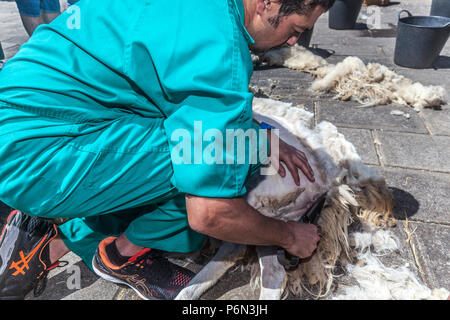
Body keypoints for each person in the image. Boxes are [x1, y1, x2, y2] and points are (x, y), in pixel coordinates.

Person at [0, 0, 335, 300]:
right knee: (229, 161)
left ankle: (57, 230)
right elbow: (210, 212)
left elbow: (177, 84)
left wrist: (261, 137)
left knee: (222, 142)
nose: (293, 42)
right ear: (267, 4)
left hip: (25, 116)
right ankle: (121, 255)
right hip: (36, 158)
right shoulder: (220, 46)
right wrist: (289, 236)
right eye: (296, 30)